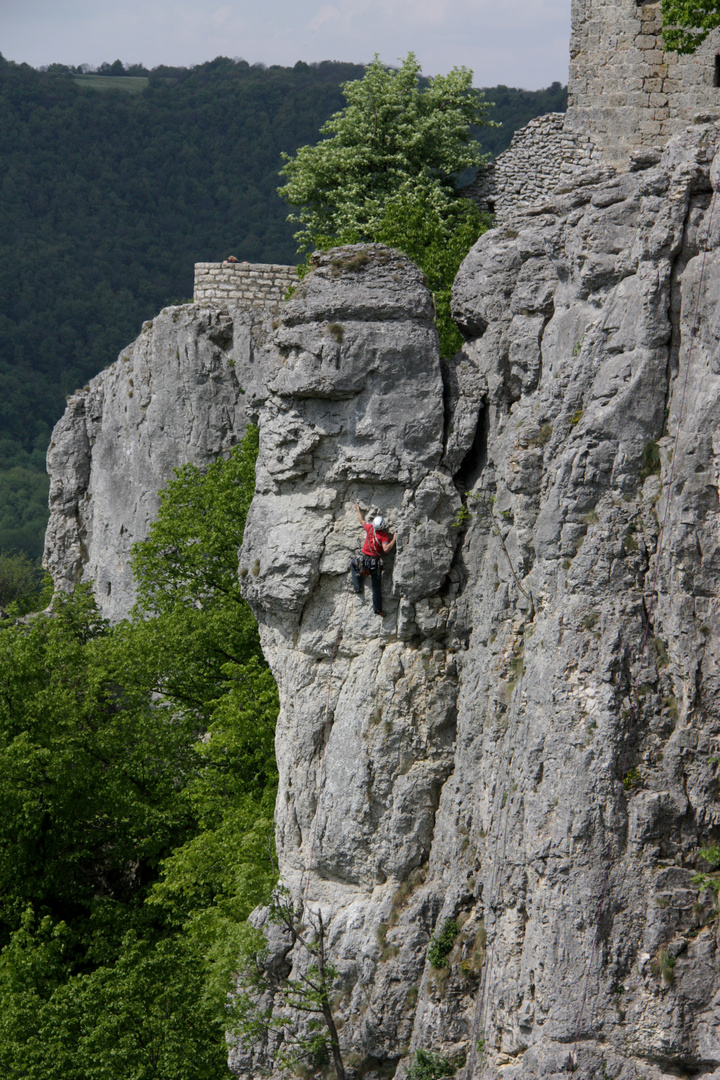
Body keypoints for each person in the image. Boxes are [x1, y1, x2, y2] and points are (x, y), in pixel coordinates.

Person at [351, 502, 397, 616]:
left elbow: (362, 521)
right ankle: (378, 609)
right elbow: (386, 549)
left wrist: (358, 509)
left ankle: (357, 587)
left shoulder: (370, 528)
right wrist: (394, 539)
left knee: (353, 564)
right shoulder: (384, 536)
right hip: (374, 563)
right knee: (376, 587)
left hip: (362, 560)